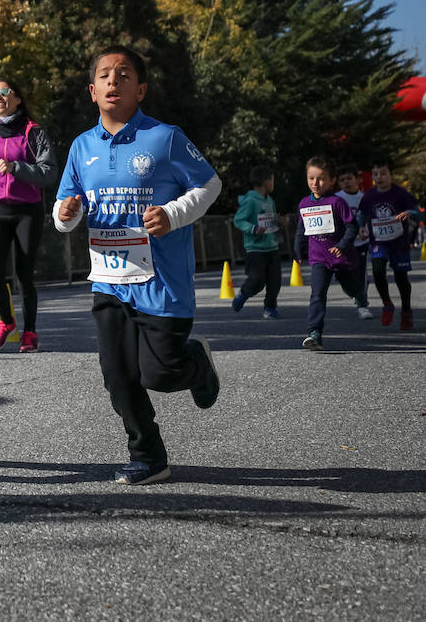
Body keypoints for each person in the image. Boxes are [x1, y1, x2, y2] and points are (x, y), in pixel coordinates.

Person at [53, 46, 221, 486]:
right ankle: (148, 456)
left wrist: (174, 214)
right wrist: (66, 215)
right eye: (105, 75)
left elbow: (209, 185)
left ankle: (194, 361)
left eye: (124, 74)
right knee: (118, 374)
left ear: (140, 88)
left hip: (161, 281)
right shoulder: (81, 147)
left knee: (159, 373)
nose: (114, 81)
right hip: (109, 280)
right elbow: (63, 210)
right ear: (92, 91)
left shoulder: (165, 137)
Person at [0, 78, 57, 352]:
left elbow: (49, 172)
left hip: (27, 211)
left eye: (4, 92)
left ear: (17, 98)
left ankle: (29, 332)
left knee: (24, 275)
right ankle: (6, 322)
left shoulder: (34, 132)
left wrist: (16, 168)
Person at [293, 157, 365, 351]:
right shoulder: (304, 203)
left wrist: (342, 245)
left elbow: (352, 226)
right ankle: (314, 333)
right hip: (319, 259)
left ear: (332, 180)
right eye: (311, 178)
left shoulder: (337, 202)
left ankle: (359, 293)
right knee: (317, 294)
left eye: (321, 179)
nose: (315, 183)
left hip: (341, 257)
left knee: (351, 288)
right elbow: (302, 229)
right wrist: (298, 249)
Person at [357, 159, 422, 331]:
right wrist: (361, 228)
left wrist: (409, 213)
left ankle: (406, 310)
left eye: (383, 173)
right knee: (378, 271)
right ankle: (387, 303)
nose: (379, 177)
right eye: (376, 174)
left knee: (401, 277)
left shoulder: (401, 194)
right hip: (379, 242)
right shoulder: (369, 196)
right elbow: (362, 215)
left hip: (399, 243)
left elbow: (418, 214)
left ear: (391, 175)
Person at [230, 164, 282, 319]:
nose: (273, 183)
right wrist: (253, 229)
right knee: (257, 280)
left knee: (275, 281)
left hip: (272, 246)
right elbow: (238, 220)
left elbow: (271, 220)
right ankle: (243, 293)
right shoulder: (251, 200)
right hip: (256, 249)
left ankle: (270, 308)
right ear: (266, 181)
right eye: (272, 180)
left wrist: (280, 221)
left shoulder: (270, 200)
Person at [334, 163, 374, 320]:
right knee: (344, 275)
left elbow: (371, 218)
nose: (346, 182)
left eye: (349, 178)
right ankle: (355, 291)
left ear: (357, 179)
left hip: (361, 243)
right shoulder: (336, 199)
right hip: (344, 244)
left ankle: (362, 305)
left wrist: (367, 230)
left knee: (361, 272)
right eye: (342, 180)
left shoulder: (365, 198)